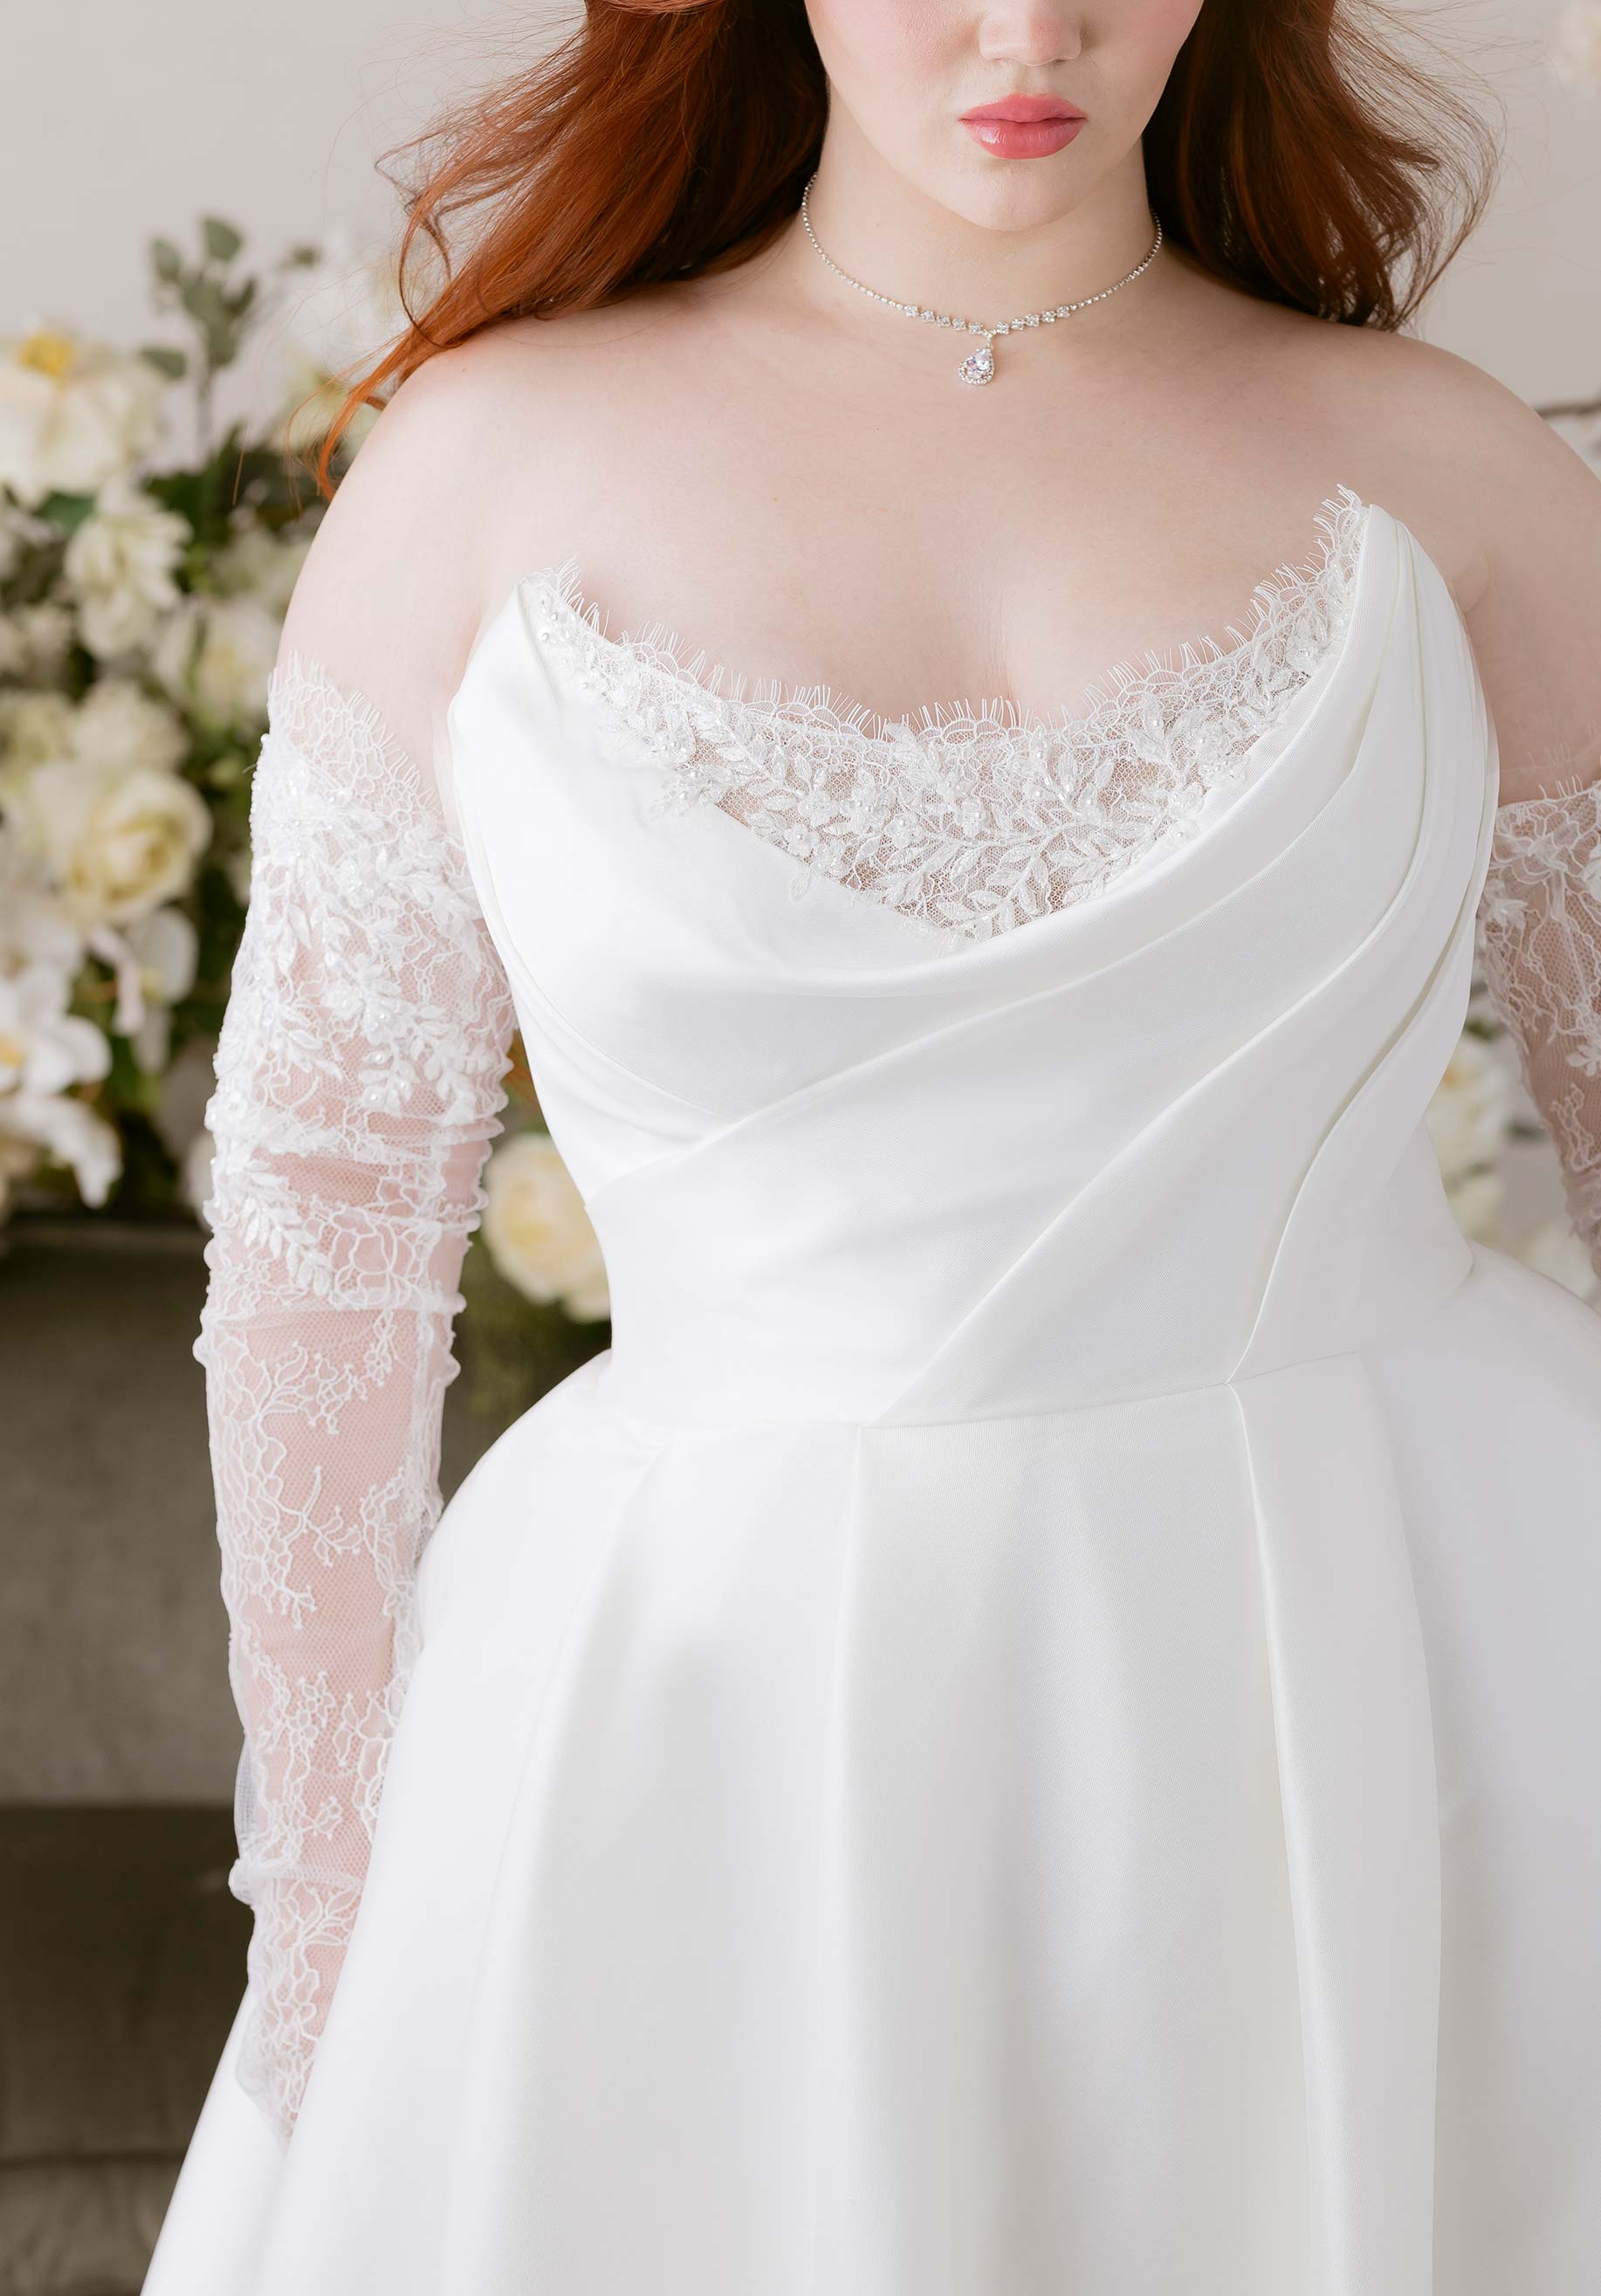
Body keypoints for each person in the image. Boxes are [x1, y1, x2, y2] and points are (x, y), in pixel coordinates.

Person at [144, 2, 1601, 2290]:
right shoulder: (485, 467)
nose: (1030, 31)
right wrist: (328, 1884)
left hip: (1406, 1660)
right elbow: (325, 1223)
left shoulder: (1452, 471)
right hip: (708, 1703)